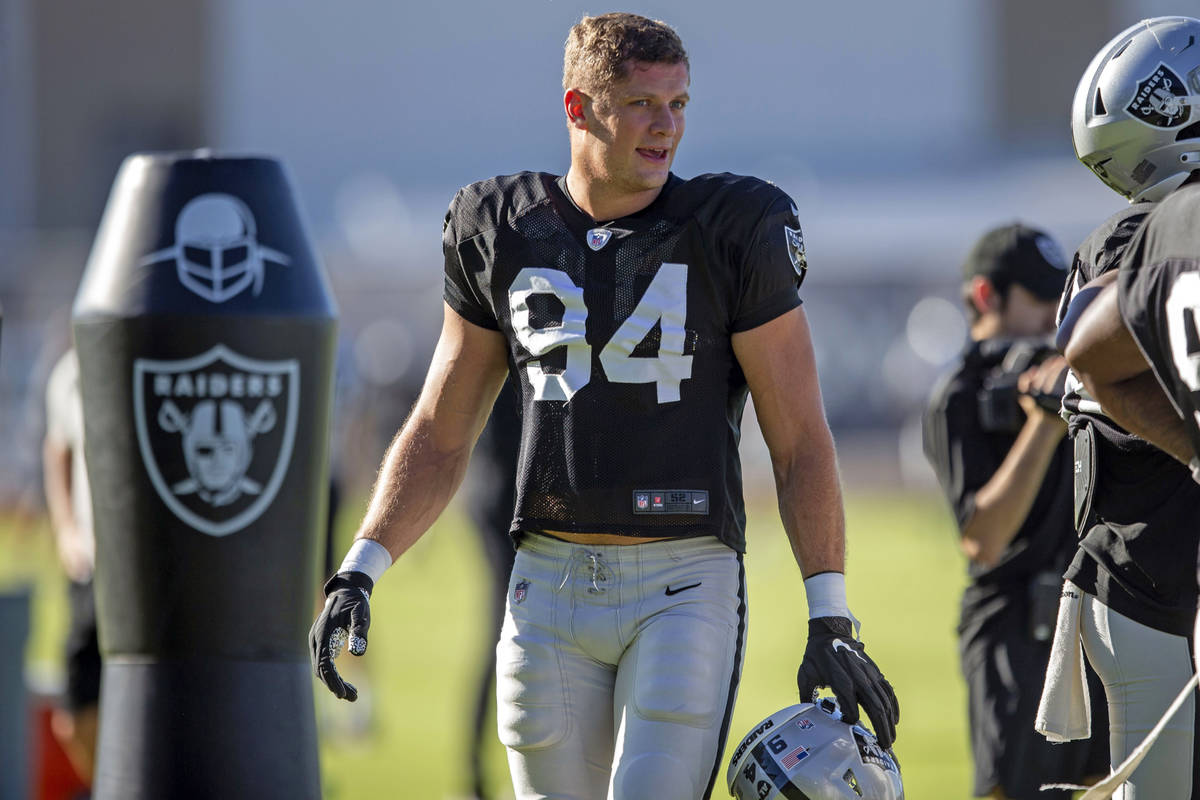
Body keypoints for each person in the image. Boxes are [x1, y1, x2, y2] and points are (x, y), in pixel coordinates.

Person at [310, 12, 899, 800]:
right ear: (579, 108)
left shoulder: (735, 228)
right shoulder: (500, 226)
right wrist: (361, 566)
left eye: (680, 104)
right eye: (642, 104)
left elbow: (799, 441)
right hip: (545, 584)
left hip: (685, 580)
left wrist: (829, 611)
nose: (667, 127)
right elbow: (441, 431)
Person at [1040, 16, 1200, 798]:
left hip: (1139, 576)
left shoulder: (1123, 236)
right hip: (1157, 584)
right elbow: (1103, 373)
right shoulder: (1155, 238)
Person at [922, 224, 1108, 799]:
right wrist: (1044, 423)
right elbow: (984, 537)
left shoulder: (1082, 376)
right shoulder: (959, 394)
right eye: (1037, 297)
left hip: (1094, 621)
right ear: (986, 296)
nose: (1055, 314)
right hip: (1016, 629)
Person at [42, 348, 99, 787]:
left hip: (159, 573)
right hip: (93, 565)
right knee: (73, 716)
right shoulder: (71, 372)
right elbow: (57, 447)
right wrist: (66, 529)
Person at [462, 378, 521, 800]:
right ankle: (475, 773)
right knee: (504, 635)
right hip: (506, 504)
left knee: (502, 637)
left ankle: (475, 772)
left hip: (499, 497)